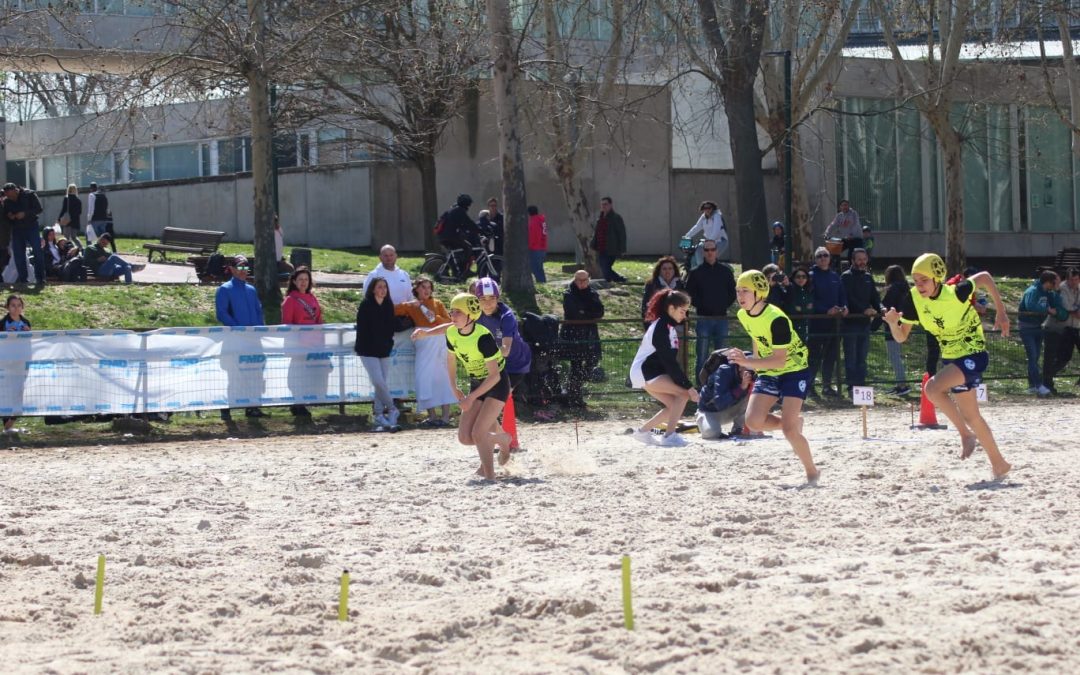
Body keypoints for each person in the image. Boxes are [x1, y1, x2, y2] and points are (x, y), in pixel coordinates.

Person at [883, 253, 1012, 479]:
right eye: (915, 280)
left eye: (924, 280)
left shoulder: (957, 292)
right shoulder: (913, 299)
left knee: (932, 388)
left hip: (973, 354)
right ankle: (999, 463)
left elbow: (985, 278)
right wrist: (894, 324)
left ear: (937, 277)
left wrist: (1001, 312)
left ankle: (965, 435)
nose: (919, 285)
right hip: (952, 359)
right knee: (973, 416)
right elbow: (901, 337)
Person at [725, 270, 818, 482]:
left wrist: (746, 362)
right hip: (769, 370)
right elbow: (757, 338)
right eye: (738, 290)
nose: (740, 295)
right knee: (754, 422)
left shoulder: (777, 319)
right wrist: (755, 365)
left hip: (794, 370)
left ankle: (812, 472)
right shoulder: (742, 314)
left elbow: (780, 360)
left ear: (759, 292)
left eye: (745, 291)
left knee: (789, 431)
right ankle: (793, 422)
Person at [443, 293, 513, 480]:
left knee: (479, 433)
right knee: (465, 438)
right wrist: (454, 387)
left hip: (496, 385)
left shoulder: (483, 337)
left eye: (458, 312)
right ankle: (502, 439)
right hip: (476, 383)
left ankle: (488, 476)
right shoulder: (451, 332)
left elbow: (494, 376)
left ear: (470, 315)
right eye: (452, 312)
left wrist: (471, 398)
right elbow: (450, 360)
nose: (453, 316)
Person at [629, 288, 698, 446]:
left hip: (650, 372)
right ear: (671, 308)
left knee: (674, 404)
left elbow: (668, 361)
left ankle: (642, 432)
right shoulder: (661, 327)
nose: (684, 315)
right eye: (682, 311)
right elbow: (669, 362)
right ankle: (669, 436)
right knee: (683, 394)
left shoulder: (668, 327)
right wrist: (689, 386)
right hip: (646, 372)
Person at [397, 275, 455, 427]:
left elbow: (448, 322)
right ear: (416, 288)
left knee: (443, 376)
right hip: (422, 340)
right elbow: (394, 310)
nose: (426, 290)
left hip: (439, 339)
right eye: (423, 287)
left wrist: (433, 317)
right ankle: (432, 416)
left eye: (429, 287)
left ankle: (446, 416)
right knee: (424, 377)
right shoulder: (411, 305)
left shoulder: (437, 303)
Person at [214, 254, 266, 421]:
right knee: (234, 374)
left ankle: (253, 408)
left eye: (246, 267)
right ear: (232, 269)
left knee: (255, 373)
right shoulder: (224, 289)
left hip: (254, 340)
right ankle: (226, 408)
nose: (244, 271)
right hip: (235, 340)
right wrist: (239, 329)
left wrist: (260, 330)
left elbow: (259, 312)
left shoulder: (251, 289)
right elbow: (221, 313)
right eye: (240, 267)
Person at [355, 277, 400, 432]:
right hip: (367, 350)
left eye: (384, 287)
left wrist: (388, 344)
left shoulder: (388, 305)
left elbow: (390, 326)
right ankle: (393, 408)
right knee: (378, 381)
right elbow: (363, 328)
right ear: (373, 289)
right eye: (379, 287)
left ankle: (379, 415)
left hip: (384, 350)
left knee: (381, 384)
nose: (382, 290)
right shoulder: (366, 305)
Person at [685, 239, 736, 375]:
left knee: (723, 356)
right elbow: (689, 294)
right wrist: (703, 305)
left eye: (712, 249)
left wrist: (723, 305)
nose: (710, 253)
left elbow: (732, 293)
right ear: (703, 252)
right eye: (707, 250)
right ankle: (701, 388)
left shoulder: (726, 272)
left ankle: (720, 385)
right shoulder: (695, 273)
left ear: (717, 251)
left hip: (722, 318)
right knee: (701, 356)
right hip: (703, 319)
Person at [281, 266, 323, 417]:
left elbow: (319, 319)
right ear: (294, 281)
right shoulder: (290, 300)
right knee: (297, 375)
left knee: (308, 375)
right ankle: (297, 403)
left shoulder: (312, 298)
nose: (303, 282)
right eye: (300, 280)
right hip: (298, 346)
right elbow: (287, 324)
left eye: (306, 279)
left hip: (313, 344)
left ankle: (302, 402)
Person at [560, 269, 605, 408]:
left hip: (590, 335)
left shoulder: (592, 293)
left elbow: (599, 312)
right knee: (576, 366)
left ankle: (574, 390)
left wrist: (585, 312)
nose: (582, 283)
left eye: (585, 280)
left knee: (591, 362)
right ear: (574, 279)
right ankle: (574, 396)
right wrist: (588, 313)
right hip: (574, 336)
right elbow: (574, 313)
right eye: (579, 280)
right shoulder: (569, 294)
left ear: (588, 279)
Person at [807, 246, 847, 397]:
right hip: (817, 323)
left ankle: (827, 386)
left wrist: (845, 307)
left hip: (835, 323)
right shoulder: (811, 276)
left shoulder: (835, 276)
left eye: (825, 255)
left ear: (830, 258)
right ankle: (809, 386)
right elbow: (810, 300)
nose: (823, 258)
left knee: (831, 355)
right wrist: (825, 310)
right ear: (815, 259)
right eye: (819, 256)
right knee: (814, 356)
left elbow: (842, 295)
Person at [840, 248, 881, 392]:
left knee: (862, 356)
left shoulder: (868, 277)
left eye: (864, 259)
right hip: (851, 323)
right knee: (851, 356)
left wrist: (881, 309)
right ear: (852, 261)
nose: (862, 262)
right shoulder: (846, 277)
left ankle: (861, 384)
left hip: (864, 324)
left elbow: (875, 298)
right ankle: (851, 385)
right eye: (859, 259)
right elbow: (848, 298)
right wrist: (863, 310)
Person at [1018, 270, 1061, 396]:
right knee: (1032, 357)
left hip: (1038, 327)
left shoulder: (1048, 292)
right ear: (1047, 282)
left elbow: (1056, 304)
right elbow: (1031, 306)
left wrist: (1057, 291)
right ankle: (1038, 385)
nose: (1055, 285)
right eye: (1054, 283)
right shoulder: (1032, 291)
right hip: (1027, 328)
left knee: (1035, 357)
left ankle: (1032, 385)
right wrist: (1047, 309)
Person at [695, 349, 751, 440]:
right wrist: (741, 388)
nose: (752, 371)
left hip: (732, 410)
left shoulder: (754, 374)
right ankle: (702, 421)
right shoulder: (723, 371)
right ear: (740, 366)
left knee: (755, 394)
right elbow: (720, 403)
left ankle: (738, 429)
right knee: (711, 433)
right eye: (749, 367)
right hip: (710, 411)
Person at [877, 264, 912, 395]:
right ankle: (901, 383)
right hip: (904, 323)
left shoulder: (893, 289)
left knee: (894, 356)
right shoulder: (906, 288)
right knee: (897, 355)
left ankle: (902, 385)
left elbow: (885, 306)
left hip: (892, 325)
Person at [2, 182, 45, 286]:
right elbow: (6, 215)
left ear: (16, 190)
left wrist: (25, 213)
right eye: (7, 196)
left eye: (11, 195)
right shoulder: (7, 202)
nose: (10, 198)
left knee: (37, 251)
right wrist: (10, 216)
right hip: (17, 228)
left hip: (31, 226)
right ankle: (23, 280)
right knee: (18, 255)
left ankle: (40, 278)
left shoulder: (29, 194)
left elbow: (39, 209)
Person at [1, 294, 30, 432]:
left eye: (19, 305)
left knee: (19, 392)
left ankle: (11, 422)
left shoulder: (26, 323)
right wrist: (6, 335)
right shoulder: (3, 323)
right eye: (13, 305)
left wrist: (29, 333)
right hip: (6, 363)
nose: (16, 308)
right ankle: (6, 424)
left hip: (21, 362)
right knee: (5, 392)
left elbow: (31, 341)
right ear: (7, 307)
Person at [436, 194, 481, 278]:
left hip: (443, 236)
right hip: (449, 237)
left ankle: (456, 272)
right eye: (469, 204)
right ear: (466, 204)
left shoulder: (454, 210)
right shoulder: (460, 211)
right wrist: (481, 230)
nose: (469, 206)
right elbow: (469, 223)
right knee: (468, 247)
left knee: (457, 252)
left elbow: (463, 225)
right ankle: (465, 271)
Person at [591, 196, 627, 283]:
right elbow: (597, 233)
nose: (603, 206)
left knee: (605, 268)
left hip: (611, 249)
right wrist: (593, 244)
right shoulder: (600, 218)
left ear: (610, 205)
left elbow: (622, 234)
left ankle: (618, 280)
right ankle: (615, 280)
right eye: (602, 204)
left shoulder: (616, 218)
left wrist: (622, 249)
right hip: (601, 248)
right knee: (605, 268)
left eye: (605, 204)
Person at [682, 200, 728, 266]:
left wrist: (709, 241)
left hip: (720, 241)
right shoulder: (703, 217)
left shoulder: (717, 216)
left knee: (709, 258)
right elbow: (696, 227)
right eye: (705, 208)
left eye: (709, 208)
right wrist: (686, 236)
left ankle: (718, 270)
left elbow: (716, 230)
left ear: (713, 208)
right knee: (697, 252)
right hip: (710, 242)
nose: (707, 210)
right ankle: (699, 270)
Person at [641, 255, 686, 321]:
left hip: (676, 323)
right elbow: (646, 305)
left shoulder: (680, 284)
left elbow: (684, 305)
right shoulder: (652, 284)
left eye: (670, 268)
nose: (667, 271)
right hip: (657, 321)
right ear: (659, 271)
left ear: (674, 270)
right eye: (664, 269)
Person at [1055, 268, 1080, 386]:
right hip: (1064, 328)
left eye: (1076, 279)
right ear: (1067, 279)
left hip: (1077, 327)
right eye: (1071, 279)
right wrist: (1075, 312)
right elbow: (1067, 306)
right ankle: (1046, 378)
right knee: (1064, 357)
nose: (1074, 282)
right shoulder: (1062, 288)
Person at [824, 199, 863, 265]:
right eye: (842, 205)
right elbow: (833, 224)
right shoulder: (839, 216)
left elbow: (856, 225)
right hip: (846, 239)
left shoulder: (853, 214)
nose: (844, 207)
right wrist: (826, 233)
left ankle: (853, 271)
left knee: (851, 256)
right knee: (834, 251)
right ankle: (836, 267)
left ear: (848, 206)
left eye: (846, 205)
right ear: (840, 207)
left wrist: (851, 234)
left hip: (856, 239)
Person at [86, 182, 115, 252]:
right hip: (103, 219)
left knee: (89, 237)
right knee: (102, 238)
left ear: (91, 188)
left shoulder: (92, 195)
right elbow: (106, 208)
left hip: (94, 219)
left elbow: (91, 209)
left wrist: (89, 219)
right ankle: (103, 251)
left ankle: (89, 251)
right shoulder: (104, 196)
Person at [788, 265, 813, 343]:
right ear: (793, 278)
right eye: (798, 277)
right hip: (793, 327)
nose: (801, 279)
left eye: (804, 276)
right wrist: (805, 308)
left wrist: (801, 308)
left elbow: (811, 309)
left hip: (805, 327)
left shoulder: (808, 291)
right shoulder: (790, 290)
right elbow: (792, 308)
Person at [527, 205, 548, 284]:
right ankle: (542, 282)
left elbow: (534, 236)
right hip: (542, 247)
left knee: (536, 268)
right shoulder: (541, 220)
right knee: (539, 268)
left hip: (535, 248)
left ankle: (541, 283)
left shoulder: (534, 221)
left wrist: (530, 246)